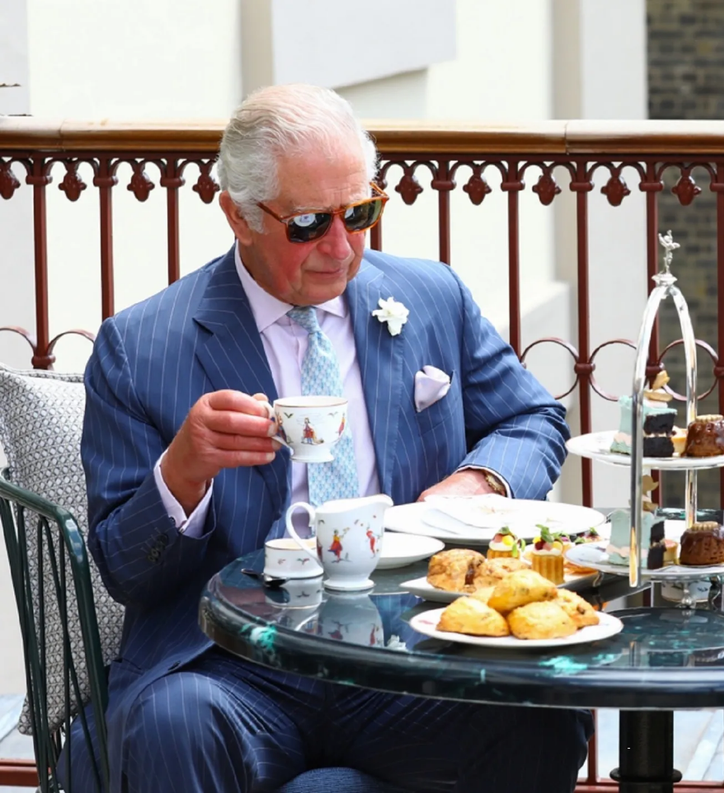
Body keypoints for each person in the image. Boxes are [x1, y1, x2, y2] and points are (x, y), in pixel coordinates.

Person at [78, 84, 589, 792]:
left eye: (362, 212)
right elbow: (124, 570)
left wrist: (475, 486)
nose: (341, 246)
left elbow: (531, 419)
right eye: (310, 223)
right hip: (233, 665)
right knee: (172, 722)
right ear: (238, 215)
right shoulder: (140, 348)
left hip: (404, 655)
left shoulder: (432, 297)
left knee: (540, 716)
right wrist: (183, 471)